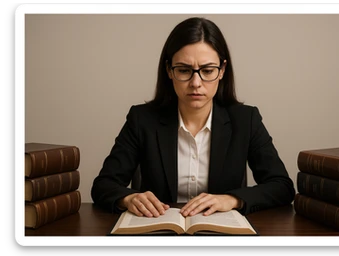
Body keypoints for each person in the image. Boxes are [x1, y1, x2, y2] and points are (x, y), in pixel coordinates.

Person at [91, 16, 295, 218]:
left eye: (207, 70)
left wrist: (232, 200)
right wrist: (128, 199)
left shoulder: (246, 119)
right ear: (169, 71)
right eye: (184, 70)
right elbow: (103, 185)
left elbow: (282, 186)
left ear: (222, 70)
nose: (196, 82)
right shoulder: (142, 119)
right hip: (160, 231)